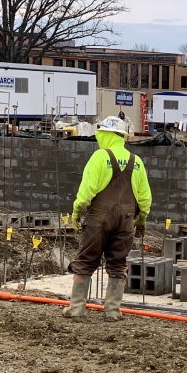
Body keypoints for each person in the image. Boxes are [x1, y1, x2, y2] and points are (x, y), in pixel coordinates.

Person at [64, 116, 152, 320]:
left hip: (98, 219)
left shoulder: (99, 157)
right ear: (122, 136)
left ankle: (76, 308)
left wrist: (77, 211)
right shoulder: (136, 161)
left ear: (105, 134)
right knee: (118, 262)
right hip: (127, 219)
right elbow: (145, 198)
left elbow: (86, 191)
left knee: (86, 260)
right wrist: (141, 220)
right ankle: (112, 310)